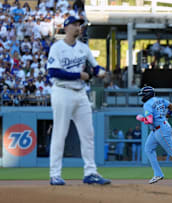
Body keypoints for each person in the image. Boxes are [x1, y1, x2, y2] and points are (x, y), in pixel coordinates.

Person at [47, 16, 111, 186]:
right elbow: (53, 72)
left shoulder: (84, 48)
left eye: (79, 25)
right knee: (60, 134)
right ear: (66, 27)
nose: (78, 27)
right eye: (75, 24)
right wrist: (78, 75)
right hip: (62, 92)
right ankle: (55, 174)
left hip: (80, 93)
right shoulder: (57, 48)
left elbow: (95, 66)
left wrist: (100, 71)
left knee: (88, 134)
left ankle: (90, 172)